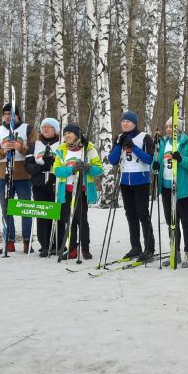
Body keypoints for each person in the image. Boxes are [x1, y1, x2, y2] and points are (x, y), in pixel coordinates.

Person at [0, 104, 38, 254]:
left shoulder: (28, 129)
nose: (9, 116)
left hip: (23, 175)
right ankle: (9, 241)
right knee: (6, 208)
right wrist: (3, 151)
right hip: (4, 175)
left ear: (18, 115)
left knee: (25, 208)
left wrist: (20, 147)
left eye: (12, 114)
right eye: (6, 114)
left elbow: (35, 151)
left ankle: (27, 241)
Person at [107, 111, 155, 262]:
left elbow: (149, 159)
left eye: (128, 121)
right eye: (123, 121)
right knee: (130, 214)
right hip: (125, 181)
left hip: (141, 180)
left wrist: (133, 147)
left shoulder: (144, 137)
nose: (125, 123)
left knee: (142, 214)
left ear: (135, 123)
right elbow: (112, 160)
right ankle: (136, 246)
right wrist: (118, 144)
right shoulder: (119, 137)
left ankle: (149, 247)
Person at [53, 123, 103, 260]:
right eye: (65, 134)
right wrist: (71, 170)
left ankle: (85, 249)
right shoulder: (61, 150)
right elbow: (56, 170)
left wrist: (88, 167)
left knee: (82, 220)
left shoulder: (89, 148)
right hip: (66, 191)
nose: (67, 136)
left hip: (81, 191)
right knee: (68, 221)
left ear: (77, 135)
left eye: (70, 133)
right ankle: (72, 249)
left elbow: (99, 169)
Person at [154, 116, 188, 268]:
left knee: (186, 221)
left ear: (178, 128)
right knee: (171, 221)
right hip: (166, 187)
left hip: (184, 188)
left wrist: (180, 159)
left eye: (171, 127)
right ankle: (175, 251)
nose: (168, 130)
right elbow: (160, 162)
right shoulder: (163, 143)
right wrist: (156, 166)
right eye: (166, 127)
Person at [25, 118, 62, 257]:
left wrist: (52, 163)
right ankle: (44, 245)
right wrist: (40, 167)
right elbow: (27, 165)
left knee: (55, 213)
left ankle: (56, 244)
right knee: (42, 214)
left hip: (55, 183)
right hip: (39, 183)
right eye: (44, 126)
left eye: (50, 127)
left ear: (55, 130)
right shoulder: (35, 145)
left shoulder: (61, 144)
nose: (46, 129)